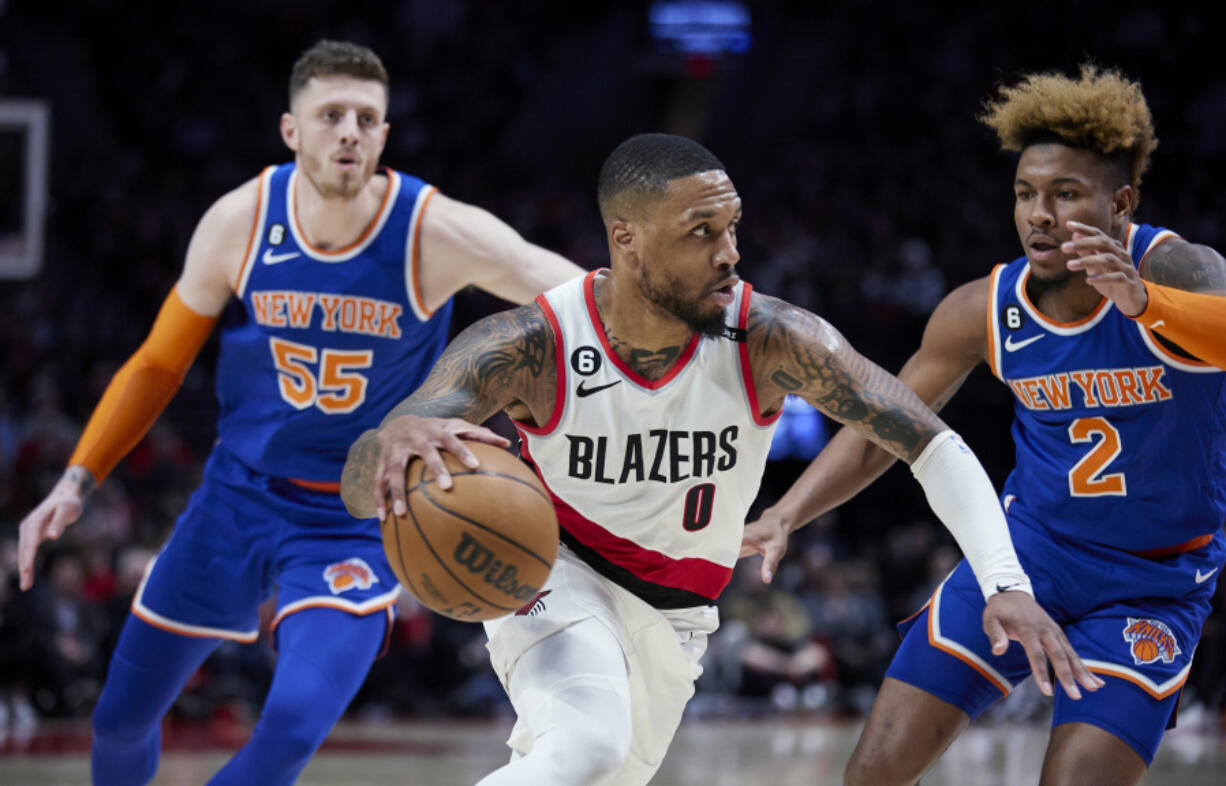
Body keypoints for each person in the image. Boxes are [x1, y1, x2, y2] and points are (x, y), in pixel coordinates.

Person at [341, 132, 1100, 785]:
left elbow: (930, 440)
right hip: (554, 571)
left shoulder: (773, 337)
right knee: (587, 745)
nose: (729, 253)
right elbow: (356, 482)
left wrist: (1005, 583)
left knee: (597, 768)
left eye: (733, 227)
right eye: (701, 232)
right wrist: (390, 448)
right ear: (626, 237)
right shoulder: (531, 345)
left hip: (679, 616)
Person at [16, 39, 583, 786]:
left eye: (366, 118)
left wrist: (688, 334)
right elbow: (157, 362)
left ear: (383, 135)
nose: (349, 130)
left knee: (288, 730)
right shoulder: (241, 221)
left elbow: (578, 300)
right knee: (118, 719)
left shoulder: (434, 232)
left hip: (355, 515)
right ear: (292, 130)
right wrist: (76, 480)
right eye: (331, 115)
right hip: (235, 497)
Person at [741, 64, 1226, 785]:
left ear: (1120, 201)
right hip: (1027, 557)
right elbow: (887, 424)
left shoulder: (1180, 271)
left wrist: (1145, 305)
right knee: (871, 771)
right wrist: (788, 513)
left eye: (1067, 195)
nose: (1040, 214)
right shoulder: (985, 310)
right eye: (1026, 194)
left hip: (1150, 583)